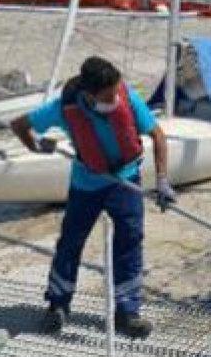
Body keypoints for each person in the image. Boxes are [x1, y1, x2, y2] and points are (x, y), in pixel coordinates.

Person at [10, 56, 176, 339]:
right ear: (89, 94)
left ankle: (127, 311)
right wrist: (37, 148)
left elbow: (158, 137)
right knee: (71, 242)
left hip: (125, 181)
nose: (114, 99)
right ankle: (58, 305)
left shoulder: (127, 97)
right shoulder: (64, 108)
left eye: (115, 92)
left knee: (129, 242)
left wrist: (162, 180)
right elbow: (19, 125)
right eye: (107, 96)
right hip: (86, 184)